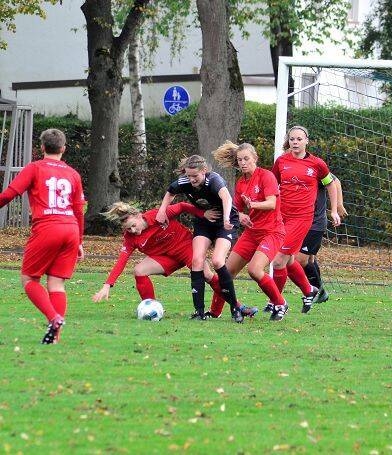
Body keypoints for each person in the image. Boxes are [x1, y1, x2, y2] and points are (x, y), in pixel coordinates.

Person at [92, 201, 254, 319]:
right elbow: (122, 260)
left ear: (138, 216)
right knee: (139, 270)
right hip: (166, 258)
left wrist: (201, 214)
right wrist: (107, 285)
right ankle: (152, 309)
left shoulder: (158, 215)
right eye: (128, 229)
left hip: (185, 248)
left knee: (208, 275)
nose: (133, 231)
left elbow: (183, 206)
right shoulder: (130, 238)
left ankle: (239, 306)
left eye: (133, 226)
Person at [0, 128, 84, 344]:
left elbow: (9, 194)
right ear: (63, 149)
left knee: (29, 278)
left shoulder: (34, 168)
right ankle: (55, 338)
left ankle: (54, 318)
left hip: (48, 227)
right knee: (56, 284)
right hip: (71, 229)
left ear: (42, 147)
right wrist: (80, 242)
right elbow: (78, 211)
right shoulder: (73, 174)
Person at [156, 155, 243, 321]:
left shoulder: (214, 180)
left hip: (225, 223)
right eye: (188, 176)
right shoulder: (185, 182)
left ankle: (235, 309)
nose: (192, 179)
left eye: (195, 176)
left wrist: (225, 219)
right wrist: (162, 211)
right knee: (197, 261)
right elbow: (170, 193)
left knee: (218, 261)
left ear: (204, 171)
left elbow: (227, 198)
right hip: (204, 223)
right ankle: (199, 312)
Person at [269, 125, 341, 319]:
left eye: (299, 139)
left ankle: (276, 301)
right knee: (291, 259)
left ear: (306, 141)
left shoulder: (317, 164)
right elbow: (271, 184)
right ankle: (310, 289)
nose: (295, 142)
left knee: (279, 260)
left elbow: (332, 184)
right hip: (282, 217)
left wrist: (334, 210)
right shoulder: (281, 161)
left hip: (304, 219)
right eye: (292, 139)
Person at [212, 141, 289, 321]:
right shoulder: (241, 183)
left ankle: (280, 303)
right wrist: (240, 216)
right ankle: (214, 312)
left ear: (255, 158)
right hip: (252, 232)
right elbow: (235, 209)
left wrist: (252, 204)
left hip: (272, 232)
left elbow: (272, 203)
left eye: (246, 158)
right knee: (225, 272)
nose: (243, 163)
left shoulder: (266, 176)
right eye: (240, 160)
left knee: (255, 270)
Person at [295, 173, 347, 305]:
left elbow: (335, 181)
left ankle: (317, 291)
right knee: (309, 259)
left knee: (300, 259)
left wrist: (338, 205)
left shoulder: (313, 166)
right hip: (299, 220)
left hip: (316, 222)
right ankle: (318, 292)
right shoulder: (287, 165)